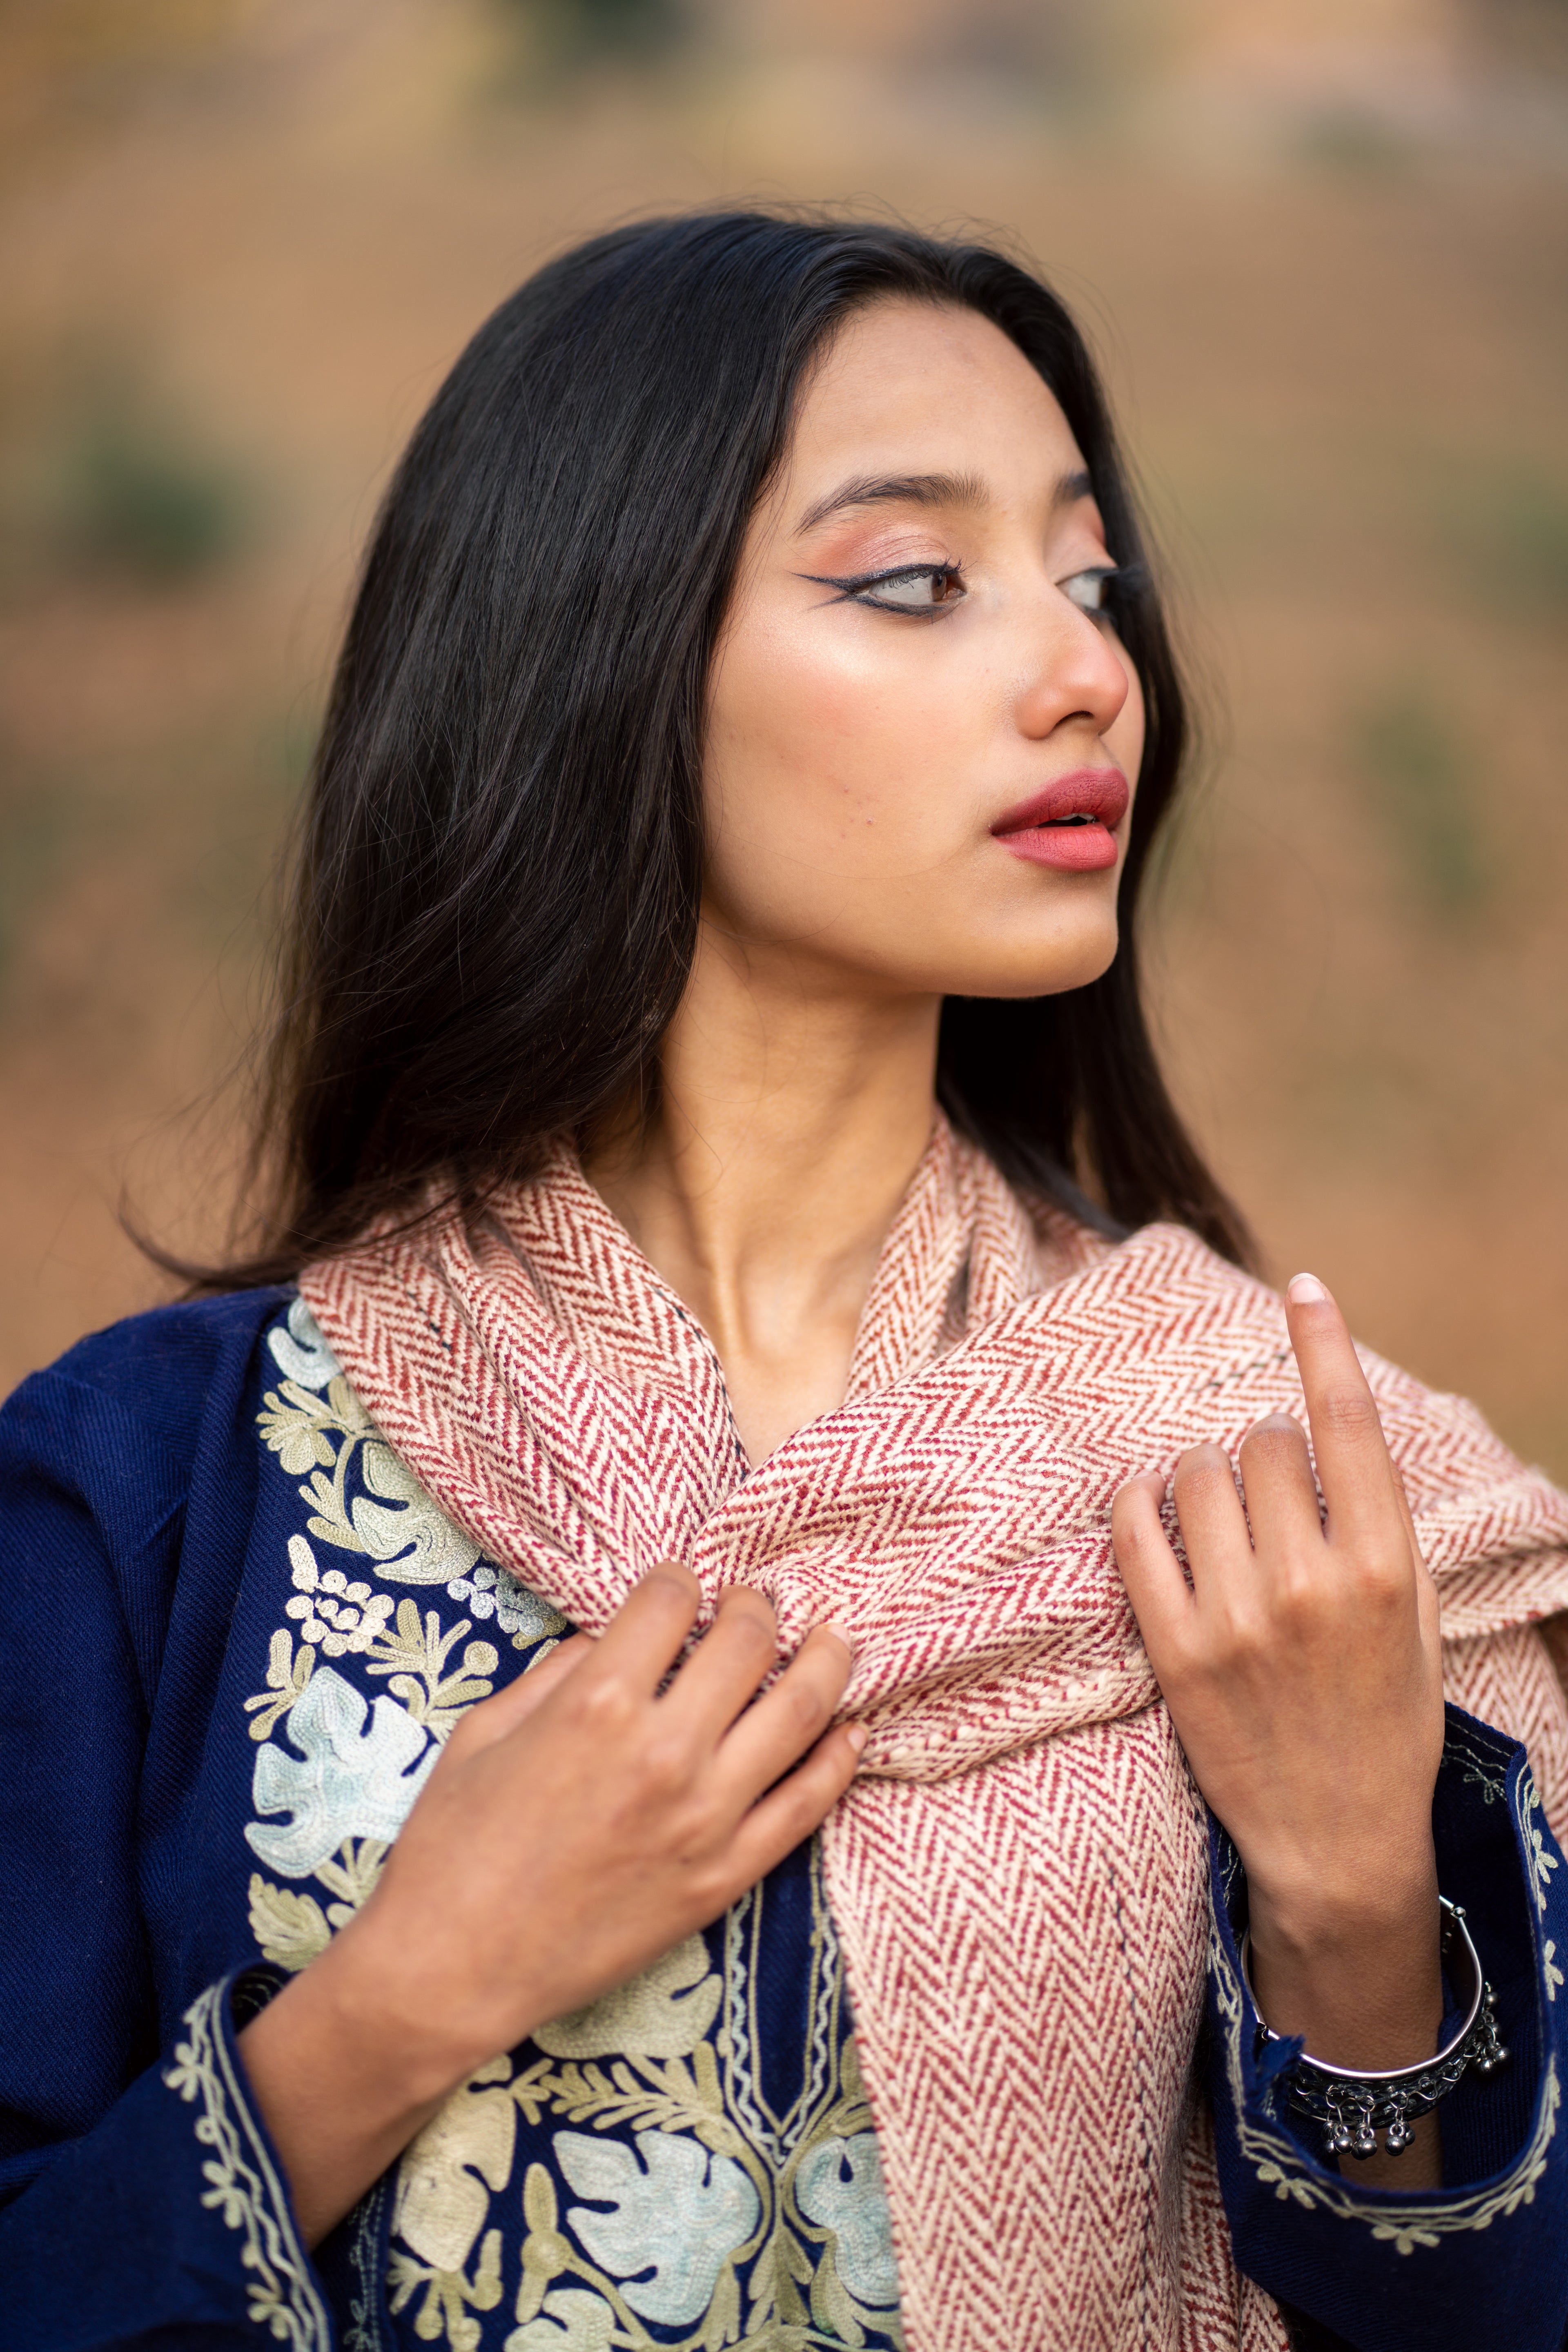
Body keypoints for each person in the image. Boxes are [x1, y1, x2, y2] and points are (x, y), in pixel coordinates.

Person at [2, 211, 1566, 2352]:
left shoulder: (1268, 1495)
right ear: (597, 655)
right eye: (916, 580)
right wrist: (403, 2000)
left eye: (1089, 577)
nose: (1087, 668)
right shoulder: (156, 1492)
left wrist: (1362, 1906)